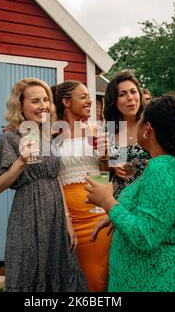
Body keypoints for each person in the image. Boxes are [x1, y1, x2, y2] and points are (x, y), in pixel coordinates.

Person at [86, 95, 175, 292]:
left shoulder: (164, 169)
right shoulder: (163, 165)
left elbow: (146, 236)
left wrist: (108, 203)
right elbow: (158, 216)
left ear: (148, 128)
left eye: (140, 120)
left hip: (156, 281)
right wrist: (121, 213)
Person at [0, 78, 87, 292]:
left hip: (56, 218)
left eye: (46, 100)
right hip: (28, 218)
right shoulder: (8, 139)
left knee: (60, 272)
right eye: (35, 101)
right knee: (30, 273)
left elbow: (56, 178)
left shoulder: (46, 138)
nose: (42, 105)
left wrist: (68, 221)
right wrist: (21, 161)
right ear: (20, 105)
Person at [51, 80, 112, 292]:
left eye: (89, 96)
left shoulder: (99, 130)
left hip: (97, 214)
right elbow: (55, 178)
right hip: (69, 217)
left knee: (99, 276)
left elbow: (108, 175)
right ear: (66, 102)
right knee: (77, 279)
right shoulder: (52, 136)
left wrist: (105, 159)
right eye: (83, 96)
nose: (89, 101)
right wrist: (66, 219)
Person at [103, 71, 150, 198]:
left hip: (149, 198)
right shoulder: (110, 129)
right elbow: (106, 167)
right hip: (120, 200)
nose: (130, 98)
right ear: (113, 100)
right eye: (122, 94)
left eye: (133, 92)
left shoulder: (151, 125)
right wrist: (113, 165)